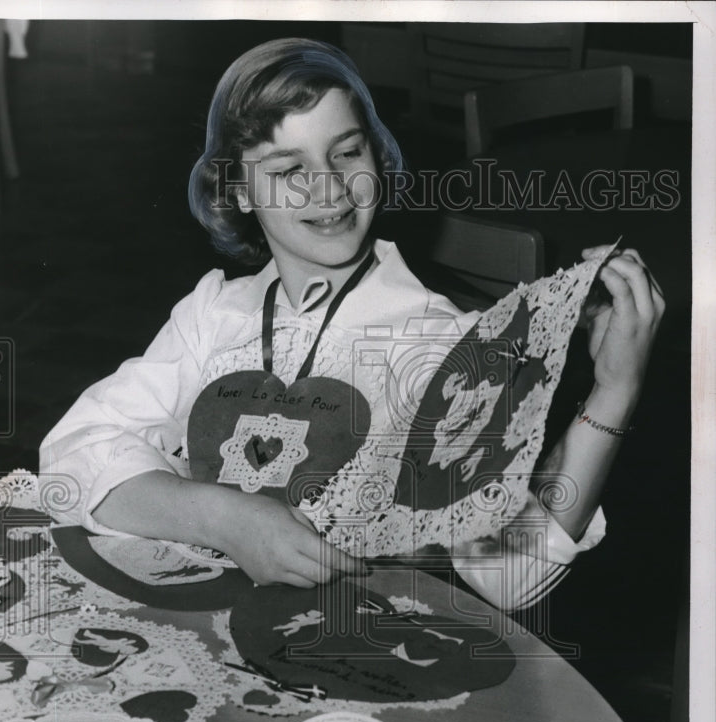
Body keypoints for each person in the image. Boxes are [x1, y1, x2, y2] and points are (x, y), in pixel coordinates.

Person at [39, 38, 664, 611]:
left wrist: (613, 392)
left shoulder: (439, 346)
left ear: (377, 153)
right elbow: (70, 458)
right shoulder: (212, 317)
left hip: (355, 649)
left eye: (346, 152)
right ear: (239, 190)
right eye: (289, 170)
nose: (330, 188)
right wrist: (226, 519)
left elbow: (512, 574)